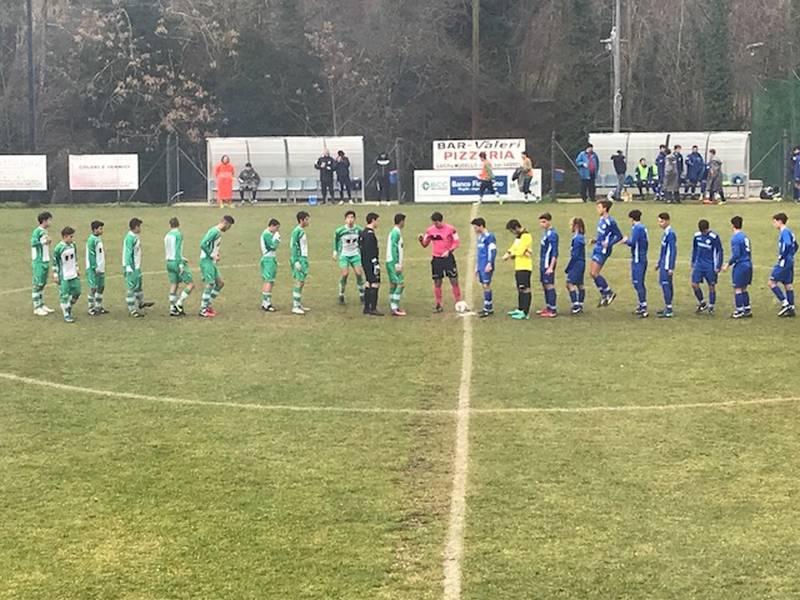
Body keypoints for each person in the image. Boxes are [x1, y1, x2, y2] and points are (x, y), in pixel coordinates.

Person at [419, 212, 461, 313]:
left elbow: (457, 242)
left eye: (436, 223)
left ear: (440, 221)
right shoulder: (430, 231)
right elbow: (425, 244)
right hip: (436, 259)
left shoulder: (451, 229)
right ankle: (439, 304)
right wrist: (421, 240)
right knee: (437, 282)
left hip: (448, 258)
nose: (435, 225)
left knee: (454, 280)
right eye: (433, 223)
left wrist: (449, 251)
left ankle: (458, 302)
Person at [198, 215, 235, 318]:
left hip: (211, 261)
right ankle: (203, 309)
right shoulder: (215, 231)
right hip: (206, 260)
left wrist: (216, 254)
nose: (228, 229)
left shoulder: (216, 232)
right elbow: (203, 244)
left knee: (220, 283)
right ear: (226, 224)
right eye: (229, 226)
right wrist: (211, 254)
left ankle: (208, 304)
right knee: (210, 283)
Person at [589, 199, 623, 306]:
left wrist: (609, 244)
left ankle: (609, 292)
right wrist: (595, 240)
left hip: (603, 250)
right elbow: (603, 235)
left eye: (599, 207)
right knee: (592, 273)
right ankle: (604, 294)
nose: (597, 209)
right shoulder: (601, 220)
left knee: (594, 273)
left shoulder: (610, 221)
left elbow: (619, 236)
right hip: (597, 248)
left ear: (605, 209)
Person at [721, 216, 753, 318]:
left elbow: (736, 255)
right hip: (748, 264)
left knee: (737, 288)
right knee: (744, 288)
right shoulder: (745, 237)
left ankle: (739, 310)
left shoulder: (735, 238)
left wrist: (728, 264)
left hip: (741, 265)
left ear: (732, 226)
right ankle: (747, 309)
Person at [690, 219, 723, 315]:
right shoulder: (697, 236)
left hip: (710, 265)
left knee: (711, 286)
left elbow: (719, 251)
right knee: (694, 284)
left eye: (703, 231)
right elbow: (695, 248)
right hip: (699, 265)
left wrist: (718, 265)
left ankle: (711, 306)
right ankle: (702, 302)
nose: (702, 233)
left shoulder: (714, 237)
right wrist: (693, 261)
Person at [502, 219, 534, 320]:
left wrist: (510, 255)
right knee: (520, 288)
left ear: (516, 228)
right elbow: (514, 247)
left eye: (512, 230)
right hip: (519, 266)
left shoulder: (526, 236)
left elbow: (520, 251)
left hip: (525, 266)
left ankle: (525, 312)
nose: (512, 233)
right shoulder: (519, 236)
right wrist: (508, 252)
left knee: (525, 288)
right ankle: (520, 309)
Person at [768, 213, 797, 317]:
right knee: (787, 284)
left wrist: (783, 255)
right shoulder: (789, 231)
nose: (773, 224)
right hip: (790, 261)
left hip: (784, 262)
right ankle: (792, 307)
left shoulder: (784, 232)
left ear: (780, 221)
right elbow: (796, 245)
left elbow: (788, 244)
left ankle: (785, 304)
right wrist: (791, 255)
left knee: (771, 282)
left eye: (774, 222)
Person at [333, 210, 365, 305]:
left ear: (354, 219)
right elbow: (336, 241)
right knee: (345, 274)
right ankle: (341, 294)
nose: (350, 220)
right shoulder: (340, 231)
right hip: (344, 255)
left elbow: (362, 241)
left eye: (352, 218)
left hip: (355, 254)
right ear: (345, 220)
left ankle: (362, 294)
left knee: (359, 273)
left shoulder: (359, 230)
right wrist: (335, 252)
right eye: (348, 218)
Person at [621, 209, 649, 318]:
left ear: (632, 218)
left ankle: (644, 307)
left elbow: (633, 243)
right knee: (637, 282)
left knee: (638, 282)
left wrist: (625, 240)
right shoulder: (641, 227)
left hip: (639, 259)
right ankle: (641, 305)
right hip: (639, 258)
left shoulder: (637, 228)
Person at [123, 218, 153, 318]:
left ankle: (141, 303)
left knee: (138, 286)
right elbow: (128, 252)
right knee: (131, 288)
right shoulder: (130, 238)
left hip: (137, 266)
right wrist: (128, 266)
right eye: (139, 226)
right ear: (135, 227)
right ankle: (132, 310)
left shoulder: (135, 236)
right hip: (131, 266)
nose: (140, 228)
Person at [164, 217, 194, 317]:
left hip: (169, 262)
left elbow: (169, 250)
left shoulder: (167, 235)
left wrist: (182, 257)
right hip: (176, 262)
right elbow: (177, 249)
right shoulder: (178, 234)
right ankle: (179, 304)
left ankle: (172, 308)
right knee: (190, 284)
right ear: (178, 224)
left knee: (174, 284)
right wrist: (180, 263)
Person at [52, 227, 81, 323]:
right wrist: (55, 274)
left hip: (73, 274)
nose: (72, 239)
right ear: (65, 236)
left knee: (77, 292)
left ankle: (68, 307)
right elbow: (55, 262)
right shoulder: (58, 248)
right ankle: (66, 315)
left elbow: (75, 258)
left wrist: (77, 268)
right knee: (64, 295)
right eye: (71, 237)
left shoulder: (73, 245)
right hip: (63, 276)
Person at [471, 217, 497, 318]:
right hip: (481, 265)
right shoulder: (480, 237)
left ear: (481, 226)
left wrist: (490, 263)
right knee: (484, 285)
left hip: (487, 265)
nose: (474, 229)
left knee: (486, 285)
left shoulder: (489, 236)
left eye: (475, 227)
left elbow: (493, 250)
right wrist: (477, 266)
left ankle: (488, 309)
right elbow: (479, 253)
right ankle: (487, 307)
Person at [359, 212, 383, 316]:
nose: (378, 223)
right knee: (375, 283)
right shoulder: (369, 234)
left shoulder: (362, 232)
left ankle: (366, 307)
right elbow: (370, 250)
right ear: (373, 220)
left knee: (368, 283)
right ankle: (373, 308)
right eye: (377, 220)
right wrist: (375, 262)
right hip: (371, 262)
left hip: (364, 261)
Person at [31, 211, 54, 316]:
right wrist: (43, 242)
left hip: (45, 260)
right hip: (39, 261)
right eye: (49, 220)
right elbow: (33, 242)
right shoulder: (37, 231)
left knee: (43, 284)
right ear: (44, 220)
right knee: (38, 284)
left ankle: (41, 304)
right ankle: (36, 307)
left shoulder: (44, 231)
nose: (50, 222)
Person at [655, 212, 677, 318]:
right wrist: (659, 262)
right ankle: (668, 306)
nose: (660, 224)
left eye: (662, 221)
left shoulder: (670, 234)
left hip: (667, 265)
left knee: (665, 285)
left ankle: (669, 309)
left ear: (667, 221)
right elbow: (663, 250)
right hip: (663, 263)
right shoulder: (666, 233)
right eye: (659, 221)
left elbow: (672, 250)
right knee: (666, 284)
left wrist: (670, 266)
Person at [537, 213, 559, 317]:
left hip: (548, 264)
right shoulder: (546, 233)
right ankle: (548, 307)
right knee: (544, 284)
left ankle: (553, 310)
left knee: (549, 285)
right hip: (543, 263)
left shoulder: (552, 234)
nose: (542, 224)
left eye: (544, 222)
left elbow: (554, 252)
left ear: (549, 221)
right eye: (541, 222)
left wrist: (551, 266)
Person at [290, 211, 311, 315]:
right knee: (299, 281)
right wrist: (296, 261)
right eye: (307, 219)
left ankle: (298, 304)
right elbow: (293, 246)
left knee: (302, 281)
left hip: (303, 259)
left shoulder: (301, 230)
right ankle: (295, 306)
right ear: (301, 220)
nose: (308, 221)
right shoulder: (297, 231)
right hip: (299, 259)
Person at [85, 220, 107, 316]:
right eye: (100, 228)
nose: (102, 230)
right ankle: (91, 308)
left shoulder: (98, 239)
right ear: (94, 230)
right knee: (93, 288)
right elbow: (91, 255)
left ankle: (98, 306)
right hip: (93, 269)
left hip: (101, 268)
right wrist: (95, 267)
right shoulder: (91, 240)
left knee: (101, 287)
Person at [386, 213, 407, 317]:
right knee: (400, 284)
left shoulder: (395, 232)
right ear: (401, 221)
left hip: (391, 262)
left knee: (393, 284)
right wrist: (396, 264)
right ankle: (394, 308)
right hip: (393, 262)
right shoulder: (396, 233)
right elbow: (394, 249)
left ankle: (393, 306)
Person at [565, 217, 586, 315]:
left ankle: (576, 305)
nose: (570, 227)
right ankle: (580, 304)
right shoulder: (581, 237)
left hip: (577, 263)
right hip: (581, 263)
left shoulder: (577, 238)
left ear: (576, 226)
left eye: (571, 225)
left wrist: (568, 267)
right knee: (579, 284)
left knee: (569, 284)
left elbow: (575, 255)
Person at [260, 218, 281, 312]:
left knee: (267, 281)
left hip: (267, 259)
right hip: (269, 259)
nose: (277, 230)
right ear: (271, 226)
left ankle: (265, 302)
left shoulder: (266, 234)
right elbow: (272, 247)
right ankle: (266, 303)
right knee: (269, 281)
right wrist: (276, 240)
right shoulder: (267, 234)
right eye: (276, 228)